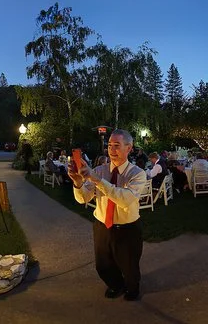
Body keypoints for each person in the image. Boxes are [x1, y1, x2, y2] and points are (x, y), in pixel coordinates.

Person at [69, 129, 145, 301]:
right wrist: (78, 182)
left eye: (117, 145)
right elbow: (84, 199)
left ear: (129, 148)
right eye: (109, 145)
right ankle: (116, 285)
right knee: (103, 265)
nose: (111, 149)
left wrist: (96, 179)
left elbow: (125, 199)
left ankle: (133, 289)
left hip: (127, 228)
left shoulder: (137, 174)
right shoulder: (99, 170)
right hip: (102, 225)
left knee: (129, 265)